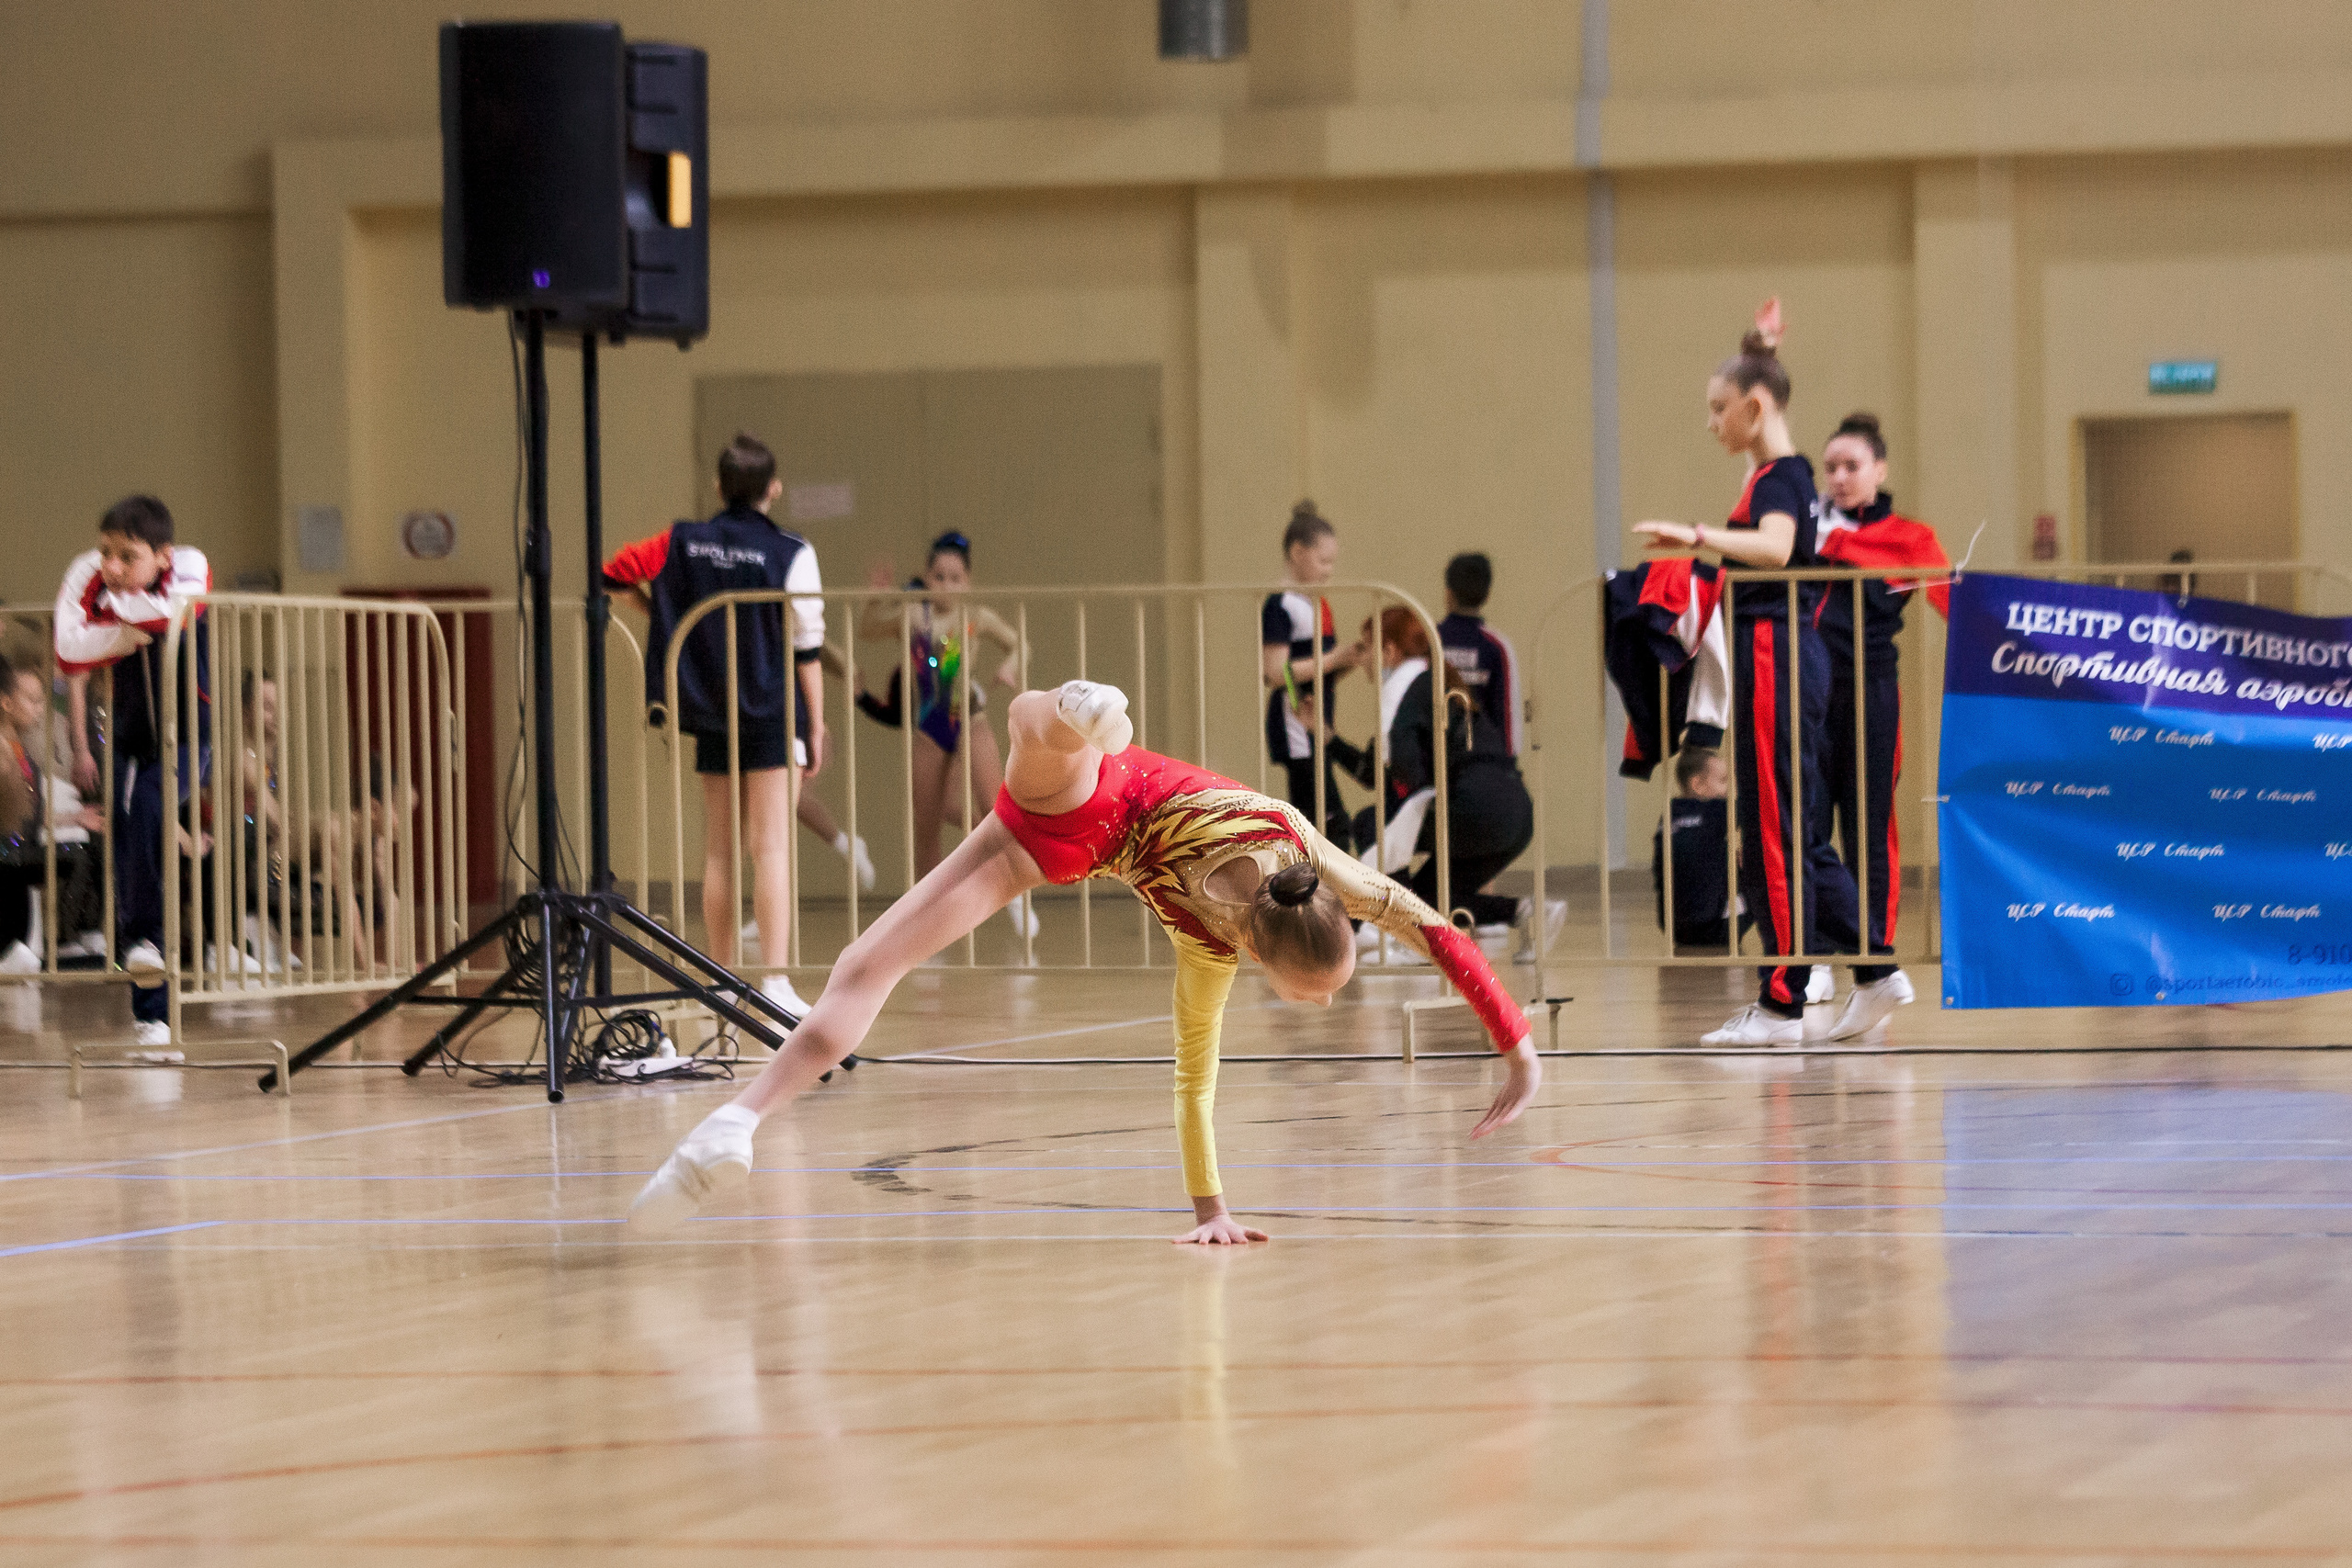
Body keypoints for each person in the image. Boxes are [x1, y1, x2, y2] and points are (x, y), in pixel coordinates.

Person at [628, 677, 1542, 1244]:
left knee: (1027, 728)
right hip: (1061, 847)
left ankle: (1072, 709)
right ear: (1269, 961)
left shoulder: (1297, 842)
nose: (1324, 1007)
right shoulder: (1209, 950)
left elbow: (1426, 923)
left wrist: (1516, 1042)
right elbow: (1194, 1084)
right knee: (871, 966)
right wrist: (1207, 1210)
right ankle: (733, 1125)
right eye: (1318, 993)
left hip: (1085, 794)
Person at [1633, 300, 1857, 1047]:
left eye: (1719, 408)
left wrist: (1693, 535)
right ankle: (1870, 971)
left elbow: (1776, 546)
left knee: (1774, 827)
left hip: (1780, 653)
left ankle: (1786, 995)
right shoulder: (1781, 474)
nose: (1711, 422)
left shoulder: (1779, 481)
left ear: (1755, 408)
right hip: (1783, 654)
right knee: (1777, 823)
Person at [604, 432, 826, 1020]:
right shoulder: (791, 551)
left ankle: (722, 980)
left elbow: (612, 572)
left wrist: (661, 616)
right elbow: (807, 648)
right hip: (773, 713)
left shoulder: (681, 541)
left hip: (710, 712)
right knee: (770, 849)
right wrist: (819, 725)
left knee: (719, 852)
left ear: (719, 486)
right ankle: (775, 982)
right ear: (773, 489)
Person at [54, 495, 211, 1046]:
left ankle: (149, 957)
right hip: (125, 741)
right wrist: (126, 627)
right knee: (126, 837)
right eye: (105, 554)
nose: (111, 567)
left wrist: (112, 617)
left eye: (128, 556)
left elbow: (172, 612)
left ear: (163, 557)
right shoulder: (95, 579)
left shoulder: (189, 569)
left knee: (149, 806)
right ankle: (150, 1004)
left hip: (188, 739)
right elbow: (68, 648)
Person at [1813, 412, 1950, 1039]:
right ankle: (1807, 956)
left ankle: (1875, 963)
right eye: (1830, 467)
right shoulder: (1805, 526)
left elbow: (1959, 604)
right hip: (1805, 691)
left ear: (1879, 469)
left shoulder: (1910, 538)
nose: (1839, 478)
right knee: (1801, 826)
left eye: (1851, 466)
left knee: (1866, 831)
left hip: (1871, 695)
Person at [855, 531, 1034, 935]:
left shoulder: (976, 615)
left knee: (995, 810)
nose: (948, 585)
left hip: (969, 716)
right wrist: (875, 595)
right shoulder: (911, 614)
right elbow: (868, 629)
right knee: (927, 824)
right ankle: (928, 924)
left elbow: (1020, 642)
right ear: (926, 576)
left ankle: (1017, 898)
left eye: (956, 578)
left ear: (968, 582)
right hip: (930, 724)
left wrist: (1011, 666)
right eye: (939, 577)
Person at [1327, 607, 1530, 937]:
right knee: (1430, 900)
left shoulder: (1404, 690)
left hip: (1479, 809)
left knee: (1370, 822)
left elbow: (1404, 771)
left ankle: (1392, 935)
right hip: (1517, 812)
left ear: (1389, 651)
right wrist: (1329, 740)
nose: (1359, 658)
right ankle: (1525, 912)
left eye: (1365, 648)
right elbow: (1379, 772)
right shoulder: (1434, 680)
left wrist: (1395, 821)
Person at [1261, 502, 1365, 848]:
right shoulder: (1281, 604)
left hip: (1315, 724)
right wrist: (1334, 658)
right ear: (1297, 553)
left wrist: (1349, 659)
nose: (1329, 571)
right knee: (1327, 827)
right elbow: (1276, 673)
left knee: (1320, 827)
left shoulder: (1316, 605)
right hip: (1295, 725)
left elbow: (1323, 671)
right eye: (1323, 562)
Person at [1436, 553, 1522, 756]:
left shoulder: (1429, 640)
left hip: (1433, 761)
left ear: (1448, 593)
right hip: (1480, 761)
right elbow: (1507, 714)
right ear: (1487, 595)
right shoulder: (1497, 647)